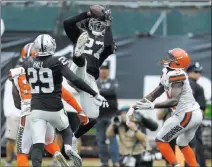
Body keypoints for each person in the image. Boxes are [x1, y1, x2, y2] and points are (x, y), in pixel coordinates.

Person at [22, 34, 108, 167]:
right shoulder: (57, 61)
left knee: (38, 143)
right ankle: (68, 147)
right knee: (66, 130)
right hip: (55, 107)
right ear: (51, 46)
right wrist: (94, 93)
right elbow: (74, 79)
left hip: (36, 108)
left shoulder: (27, 62)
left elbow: (29, 80)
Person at [10, 43, 90, 167]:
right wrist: (79, 109)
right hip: (46, 110)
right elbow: (64, 93)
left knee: (22, 151)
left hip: (29, 111)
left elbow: (16, 102)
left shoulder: (16, 72)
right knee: (48, 141)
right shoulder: (49, 71)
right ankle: (58, 154)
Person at [127, 48, 203, 167]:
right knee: (182, 142)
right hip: (192, 113)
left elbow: (174, 101)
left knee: (160, 140)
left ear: (178, 62)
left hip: (187, 113)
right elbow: (155, 93)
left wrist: (153, 106)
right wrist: (135, 106)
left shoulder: (177, 75)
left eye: (171, 58)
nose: (168, 59)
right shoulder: (167, 71)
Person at [63, 5, 116, 152]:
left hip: (89, 79)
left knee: (92, 117)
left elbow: (110, 47)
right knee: (81, 62)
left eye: (101, 22)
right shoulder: (80, 33)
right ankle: (78, 56)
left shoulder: (106, 39)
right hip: (75, 73)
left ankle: (74, 138)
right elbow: (67, 23)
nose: (98, 25)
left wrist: (109, 26)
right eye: (94, 20)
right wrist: (85, 14)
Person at [96, 63, 119, 167]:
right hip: (99, 115)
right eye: (102, 69)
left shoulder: (112, 81)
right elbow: (92, 93)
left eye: (106, 69)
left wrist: (99, 92)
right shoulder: (95, 82)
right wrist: (101, 92)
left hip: (111, 115)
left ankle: (115, 162)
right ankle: (104, 162)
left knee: (113, 139)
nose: (104, 71)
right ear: (99, 70)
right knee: (101, 140)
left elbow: (112, 91)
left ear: (109, 71)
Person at [187, 62, 207, 167]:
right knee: (197, 144)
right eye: (196, 71)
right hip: (193, 120)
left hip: (182, 121)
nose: (199, 74)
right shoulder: (197, 87)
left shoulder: (182, 84)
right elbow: (202, 108)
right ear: (189, 72)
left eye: (200, 71)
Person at [3, 64, 21, 166]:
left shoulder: (21, 81)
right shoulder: (10, 82)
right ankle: (9, 161)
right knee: (11, 139)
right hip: (13, 114)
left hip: (22, 114)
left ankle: (19, 160)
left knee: (22, 141)